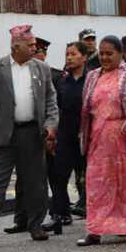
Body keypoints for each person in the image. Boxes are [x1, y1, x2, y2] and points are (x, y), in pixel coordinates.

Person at [0, 26, 58, 248]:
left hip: (33, 134)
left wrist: (51, 126)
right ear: (17, 46)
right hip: (4, 135)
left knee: (35, 182)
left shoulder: (42, 69)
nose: (35, 48)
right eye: (31, 45)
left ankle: (35, 225)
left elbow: (51, 102)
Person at [71, 36, 126, 246]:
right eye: (101, 53)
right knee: (97, 182)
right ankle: (95, 230)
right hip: (99, 138)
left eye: (109, 53)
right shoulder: (93, 76)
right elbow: (87, 107)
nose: (104, 57)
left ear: (120, 54)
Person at [42, 41, 89, 234]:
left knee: (87, 178)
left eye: (73, 54)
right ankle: (59, 216)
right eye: (67, 54)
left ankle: (95, 216)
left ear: (84, 57)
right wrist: (52, 133)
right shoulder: (61, 81)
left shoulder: (92, 79)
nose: (69, 57)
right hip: (65, 135)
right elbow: (55, 108)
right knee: (59, 176)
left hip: (87, 136)